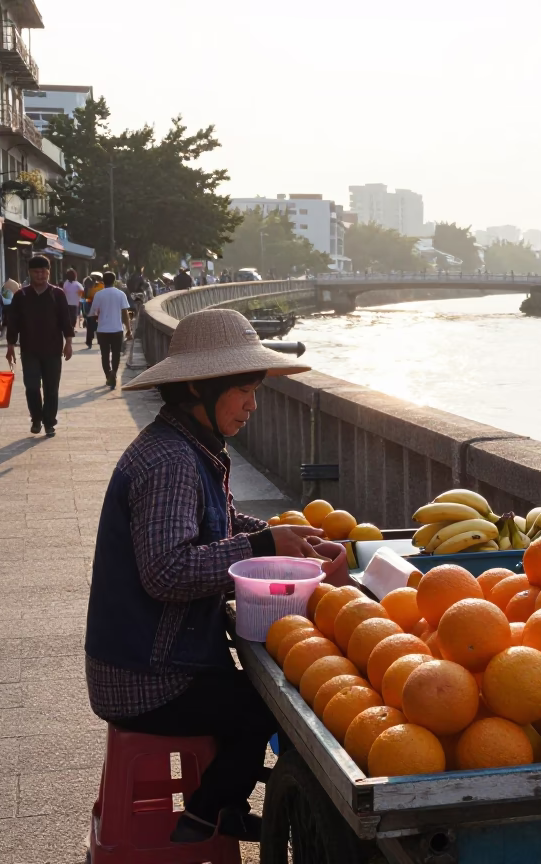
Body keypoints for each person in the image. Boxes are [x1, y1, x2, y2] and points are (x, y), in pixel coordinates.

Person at [85, 308, 346, 845]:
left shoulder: (189, 445)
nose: (254, 404)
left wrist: (282, 535)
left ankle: (222, 804)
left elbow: (218, 523)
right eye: (244, 390)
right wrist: (261, 544)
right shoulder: (171, 461)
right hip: (143, 677)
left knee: (257, 694)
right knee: (268, 707)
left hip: (146, 660)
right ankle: (206, 812)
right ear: (201, 388)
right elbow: (166, 571)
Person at [5, 255, 73, 437]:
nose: (40, 275)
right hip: (29, 350)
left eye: (43, 271)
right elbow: (13, 322)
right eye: (36, 272)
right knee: (32, 386)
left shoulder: (57, 294)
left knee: (51, 388)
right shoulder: (21, 295)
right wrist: (10, 345)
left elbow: (66, 320)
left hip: (53, 349)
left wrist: (69, 343)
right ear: (29, 273)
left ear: (49, 272)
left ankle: (49, 422)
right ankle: (36, 418)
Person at [88, 271, 131, 389]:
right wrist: (129, 329)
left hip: (103, 329)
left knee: (105, 354)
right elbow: (125, 313)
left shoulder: (99, 294)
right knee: (116, 354)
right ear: (114, 280)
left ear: (103, 281)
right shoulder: (120, 294)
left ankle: (108, 375)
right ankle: (114, 374)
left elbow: (93, 312)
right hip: (117, 329)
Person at [83, 274, 104, 348]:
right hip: (92, 308)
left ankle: (91, 341)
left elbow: (84, 300)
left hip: (93, 308)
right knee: (94, 325)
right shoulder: (88, 289)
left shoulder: (100, 286)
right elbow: (84, 300)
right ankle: (93, 341)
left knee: (92, 326)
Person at [60, 268, 83, 333]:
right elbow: (82, 292)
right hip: (75, 302)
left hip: (67, 302)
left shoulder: (66, 283)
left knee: (68, 316)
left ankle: (69, 328)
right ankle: (71, 328)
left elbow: (64, 291)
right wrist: (78, 296)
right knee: (73, 316)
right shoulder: (77, 284)